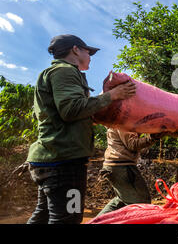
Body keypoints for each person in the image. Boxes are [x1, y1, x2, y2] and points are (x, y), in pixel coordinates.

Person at [26, 34, 136, 224]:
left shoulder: (54, 73)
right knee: (69, 218)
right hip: (64, 162)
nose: (91, 56)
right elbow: (71, 110)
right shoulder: (65, 71)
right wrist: (112, 95)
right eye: (88, 51)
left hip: (50, 160)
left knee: (43, 216)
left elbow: (62, 115)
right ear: (75, 50)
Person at [96, 128, 160, 216]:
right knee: (141, 201)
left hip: (115, 165)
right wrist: (152, 137)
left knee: (121, 200)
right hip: (122, 166)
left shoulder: (117, 122)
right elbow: (132, 144)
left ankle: (97, 221)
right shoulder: (122, 124)